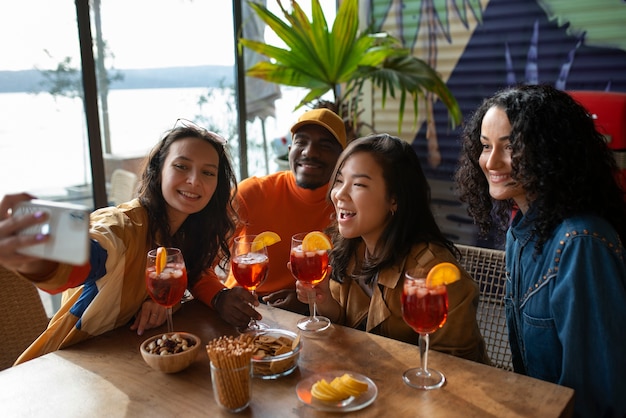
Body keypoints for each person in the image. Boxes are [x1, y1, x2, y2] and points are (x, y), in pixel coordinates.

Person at [0, 119, 238, 364]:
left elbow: (188, 278)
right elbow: (91, 252)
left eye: (208, 172)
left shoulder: (188, 233)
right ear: (158, 172)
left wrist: (166, 303)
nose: (194, 180)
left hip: (124, 361)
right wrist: (39, 254)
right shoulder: (124, 225)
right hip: (68, 362)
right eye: (181, 166)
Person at [455, 84, 626, 417]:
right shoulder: (522, 230)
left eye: (511, 147)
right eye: (486, 146)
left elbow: (598, 400)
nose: (491, 161)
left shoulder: (581, 243)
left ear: (551, 151)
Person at [295, 133, 489, 363]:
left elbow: (458, 371)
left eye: (358, 184)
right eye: (339, 181)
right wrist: (326, 303)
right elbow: (346, 330)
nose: (339, 194)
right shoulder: (347, 251)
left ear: (394, 199)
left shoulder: (434, 276)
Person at [213, 108, 347, 326]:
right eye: (301, 142)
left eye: (325, 145)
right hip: (240, 315)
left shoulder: (347, 208)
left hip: (311, 323)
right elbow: (203, 259)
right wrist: (219, 296)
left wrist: (307, 303)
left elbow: (347, 290)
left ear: (343, 158)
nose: (310, 152)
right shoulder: (252, 193)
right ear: (290, 149)